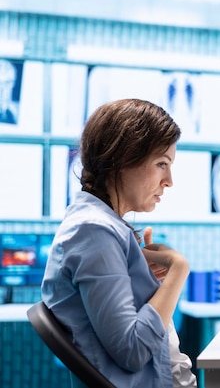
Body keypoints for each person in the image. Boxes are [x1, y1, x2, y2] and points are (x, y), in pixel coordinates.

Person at [41, 98, 197, 388]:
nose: (169, 180)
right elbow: (132, 350)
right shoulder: (93, 231)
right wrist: (178, 270)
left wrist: (148, 283)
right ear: (124, 159)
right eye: (162, 163)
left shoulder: (106, 228)